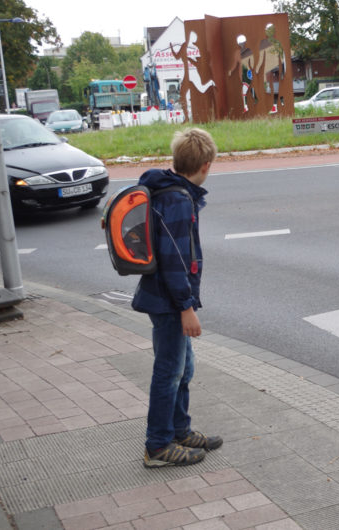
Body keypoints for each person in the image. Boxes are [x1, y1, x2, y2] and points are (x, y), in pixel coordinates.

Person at [132, 128, 222, 467]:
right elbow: (174, 261)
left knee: (183, 368)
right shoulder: (178, 201)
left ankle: (179, 430)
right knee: (169, 371)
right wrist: (186, 307)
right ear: (206, 165)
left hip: (163, 296)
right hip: (168, 300)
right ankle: (157, 445)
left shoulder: (167, 189)